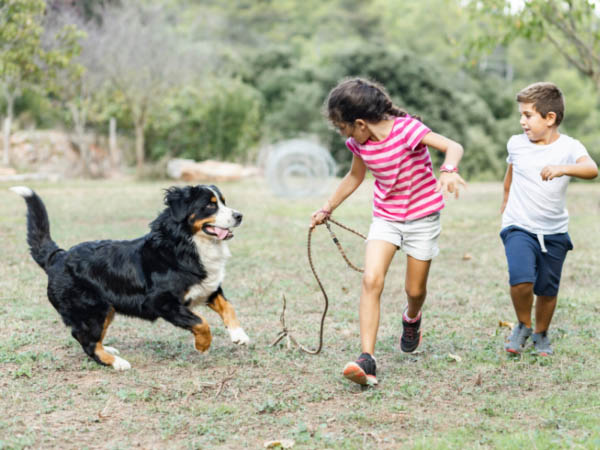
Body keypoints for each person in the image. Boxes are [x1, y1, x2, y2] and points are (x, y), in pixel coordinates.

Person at [310, 77, 466, 386]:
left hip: (422, 217)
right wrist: (327, 207)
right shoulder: (358, 143)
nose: (344, 135)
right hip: (386, 218)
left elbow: (453, 146)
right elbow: (355, 177)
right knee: (371, 279)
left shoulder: (407, 130)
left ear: (360, 123)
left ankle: (411, 319)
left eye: (344, 128)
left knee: (415, 291)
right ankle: (366, 358)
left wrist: (448, 170)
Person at [500, 81, 598, 357]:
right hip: (518, 225)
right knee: (520, 279)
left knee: (547, 288)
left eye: (528, 115)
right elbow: (511, 173)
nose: (522, 121)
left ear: (550, 118)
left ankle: (541, 333)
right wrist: (505, 200)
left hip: (554, 230)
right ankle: (523, 324)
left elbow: (591, 169)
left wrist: (562, 168)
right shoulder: (516, 144)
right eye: (521, 114)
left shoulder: (569, 147)